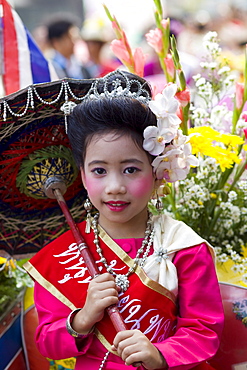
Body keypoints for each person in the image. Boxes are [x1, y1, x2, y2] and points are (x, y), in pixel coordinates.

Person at [24, 70, 224, 370]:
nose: (114, 186)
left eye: (130, 169)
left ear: (157, 172)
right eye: (99, 171)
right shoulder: (61, 256)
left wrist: (161, 353)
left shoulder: (182, 246)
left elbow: (204, 331)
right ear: (82, 175)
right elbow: (47, 343)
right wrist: (83, 318)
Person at [45, 14, 93, 79]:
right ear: (56, 42)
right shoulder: (50, 69)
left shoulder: (81, 68)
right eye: (71, 38)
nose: (74, 42)